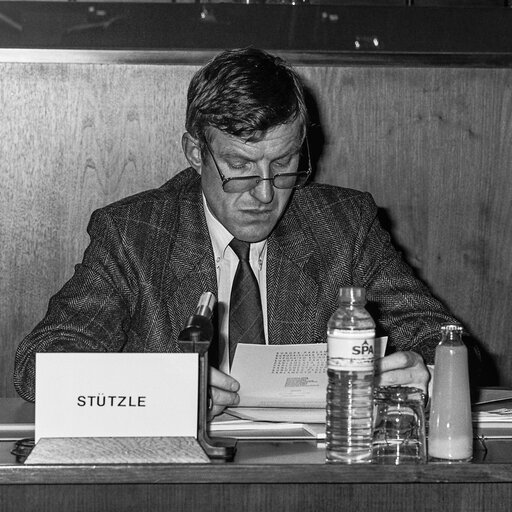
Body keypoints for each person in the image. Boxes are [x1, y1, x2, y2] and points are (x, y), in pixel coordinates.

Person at [14, 47, 468, 418]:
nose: (265, 193)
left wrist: (429, 368)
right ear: (195, 151)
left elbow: (441, 335)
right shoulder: (135, 235)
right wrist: (163, 390)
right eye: (240, 166)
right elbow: (42, 363)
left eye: (285, 163)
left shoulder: (343, 225)